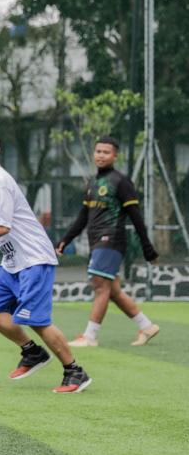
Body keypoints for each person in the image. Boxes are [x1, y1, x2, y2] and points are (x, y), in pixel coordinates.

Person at [0, 126, 92, 393]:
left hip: (33, 260)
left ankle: (75, 372)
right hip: (11, 263)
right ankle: (32, 352)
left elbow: (1, 227)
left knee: (36, 320)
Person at [56, 136, 160, 347]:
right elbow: (83, 216)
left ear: (115, 156)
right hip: (96, 241)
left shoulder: (121, 181)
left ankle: (90, 336)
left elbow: (136, 216)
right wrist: (65, 240)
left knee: (99, 284)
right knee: (112, 290)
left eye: (106, 152)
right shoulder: (92, 183)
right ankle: (147, 326)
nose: (101, 155)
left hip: (111, 239)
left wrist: (147, 248)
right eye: (98, 151)